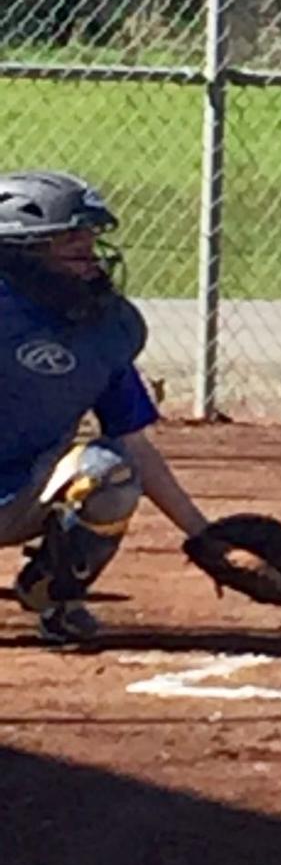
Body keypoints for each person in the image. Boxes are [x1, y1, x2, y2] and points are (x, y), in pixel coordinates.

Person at [0, 169, 211, 644]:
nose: (92, 259)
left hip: (22, 490)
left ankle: (53, 593)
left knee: (109, 473)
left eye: (91, 241)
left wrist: (201, 534)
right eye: (72, 244)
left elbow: (133, 443)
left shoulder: (98, 328)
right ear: (24, 251)